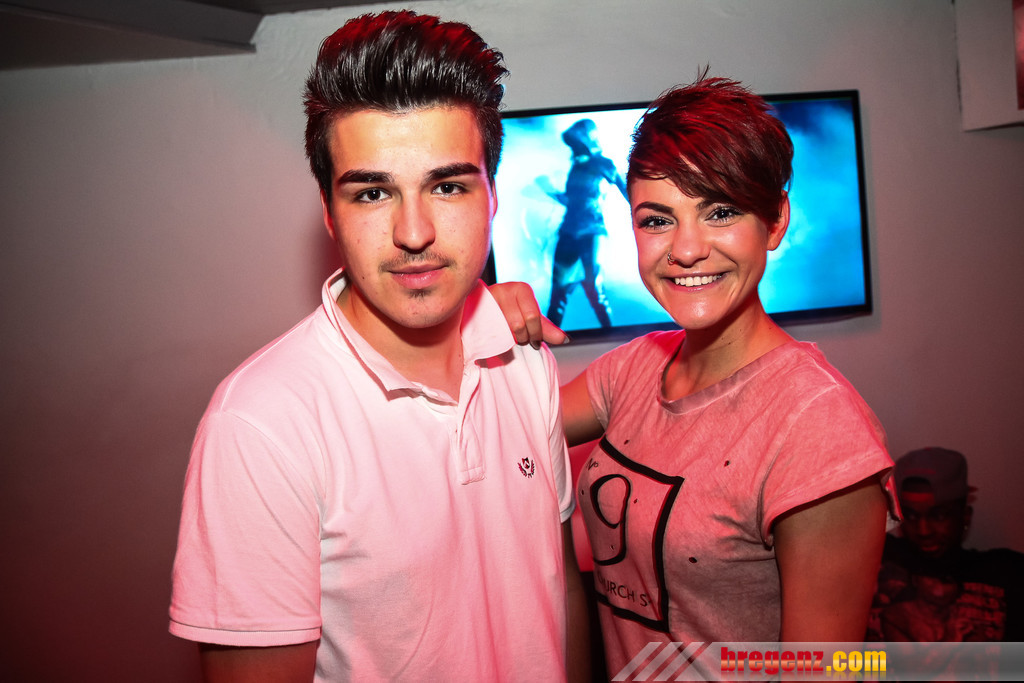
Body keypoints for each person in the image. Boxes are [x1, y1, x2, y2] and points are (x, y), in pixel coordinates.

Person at [168, 11, 588, 681]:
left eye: (446, 186)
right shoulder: (260, 425)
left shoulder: (523, 359)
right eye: (372, 192)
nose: (413, 232)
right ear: (329, 212)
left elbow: (558, 587)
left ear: (492, 197)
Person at [493, 76, 898, 674]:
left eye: (720, 212)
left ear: (775, 221)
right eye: (657, 220)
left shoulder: (819, 430)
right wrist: (477, 318)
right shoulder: (635, 367)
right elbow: (496, 429)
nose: (685, 250)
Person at [867, 447, 1024, 641]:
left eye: (939, 515)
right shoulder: (873, 557)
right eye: (911, 515)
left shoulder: (1007, 572)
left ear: (965, 516)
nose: (924, 530)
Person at [544, 118, 628, 329]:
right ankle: (548, 344)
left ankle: (612, 337)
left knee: (594, 289)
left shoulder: (603, 163)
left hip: (591, 231)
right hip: (568, 232)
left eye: (577, 142)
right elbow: (573, 200)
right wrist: (552, 192)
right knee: (558, 294)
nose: (574, 148)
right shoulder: (576, 168)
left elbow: (627, 190)